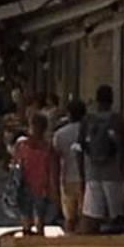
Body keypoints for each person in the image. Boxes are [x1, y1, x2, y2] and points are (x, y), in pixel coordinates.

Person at [81, 83, 124, 230]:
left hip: (93, 173)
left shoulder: (88, 120)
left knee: (93, 217)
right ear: (112, 100)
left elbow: (81, 147)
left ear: (97, 100)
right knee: (117, 218)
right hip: (114, 174)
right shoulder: (118, 120)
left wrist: (83, 174)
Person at [11, 110, 61, 235]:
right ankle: (37, 243)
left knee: (26, 218)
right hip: (41, 188)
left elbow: (15, 165)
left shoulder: (21, 144)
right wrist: (55, 195)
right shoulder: (48, 149)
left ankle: (26, 240)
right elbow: (53, 173)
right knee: (39, 219)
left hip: (24, 186)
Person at [52, 98, 87, 232]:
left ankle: (69, 240)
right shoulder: (89, 130)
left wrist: (54, 183)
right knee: (85, 216)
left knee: (69, 217)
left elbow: (55, 159)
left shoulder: (60, 134)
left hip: (67, 178)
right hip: (86, 178)